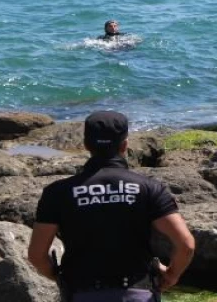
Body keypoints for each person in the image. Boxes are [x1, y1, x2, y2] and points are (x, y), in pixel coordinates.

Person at [28, 111, 195, 302]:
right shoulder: (150, 189)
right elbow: (186, 245)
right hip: (138, 292)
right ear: (124, 145)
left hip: (82, 293)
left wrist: (58, 277)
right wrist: (172, 275)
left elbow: (36, 255)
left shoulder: (57, 193)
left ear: (86, 145)